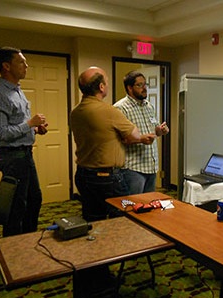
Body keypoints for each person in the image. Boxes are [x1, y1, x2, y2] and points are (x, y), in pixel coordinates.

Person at [0, 46, 48, 236]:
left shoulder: (17, 91)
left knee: (33, 200)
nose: (26, 65)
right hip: (13, 157)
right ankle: (13, 252)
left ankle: (28, 242)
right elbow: (0, 134)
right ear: (6, 66)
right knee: (17, 208)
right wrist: (29, 123)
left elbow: (17, 125)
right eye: (21, 62)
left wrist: (35, 129)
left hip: (24, 154)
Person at [70, 66, 142, 222]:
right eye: (106, 81)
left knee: (93, 218)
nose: (107, 84)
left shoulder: (75, 112)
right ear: (101, 87)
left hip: (83, 174)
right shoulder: (108, 111)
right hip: (106, 178)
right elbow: (135, 134)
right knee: (122, 219)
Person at [114, 71, 169, 194]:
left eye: (145, 85)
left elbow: (154, 130)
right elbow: (118, 139)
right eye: (139, 85)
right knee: (133, 207)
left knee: (148, 208)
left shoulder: (149, 106)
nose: (144, 88)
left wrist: (160, 130)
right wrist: (140, 139)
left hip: (151, 166)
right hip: (133, 168)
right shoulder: (120, 108)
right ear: (129, 88)